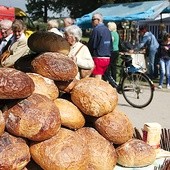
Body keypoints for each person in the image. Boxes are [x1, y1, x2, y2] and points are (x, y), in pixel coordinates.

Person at [88, 13, 112, 79]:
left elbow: (92, 44)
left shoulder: (96, 30)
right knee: (102, 77)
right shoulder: (107, 30)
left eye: (93, 20)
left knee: (97, 78)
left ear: (98, 20)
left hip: (98, 57)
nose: (92, 22)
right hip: (107, 57)